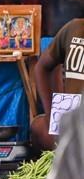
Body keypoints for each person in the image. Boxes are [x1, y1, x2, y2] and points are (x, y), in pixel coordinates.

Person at [31, 18, 84, 151]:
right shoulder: (75, 28)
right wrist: (51, 116)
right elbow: (42, 68)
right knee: (37, 127)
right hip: (71, 125)